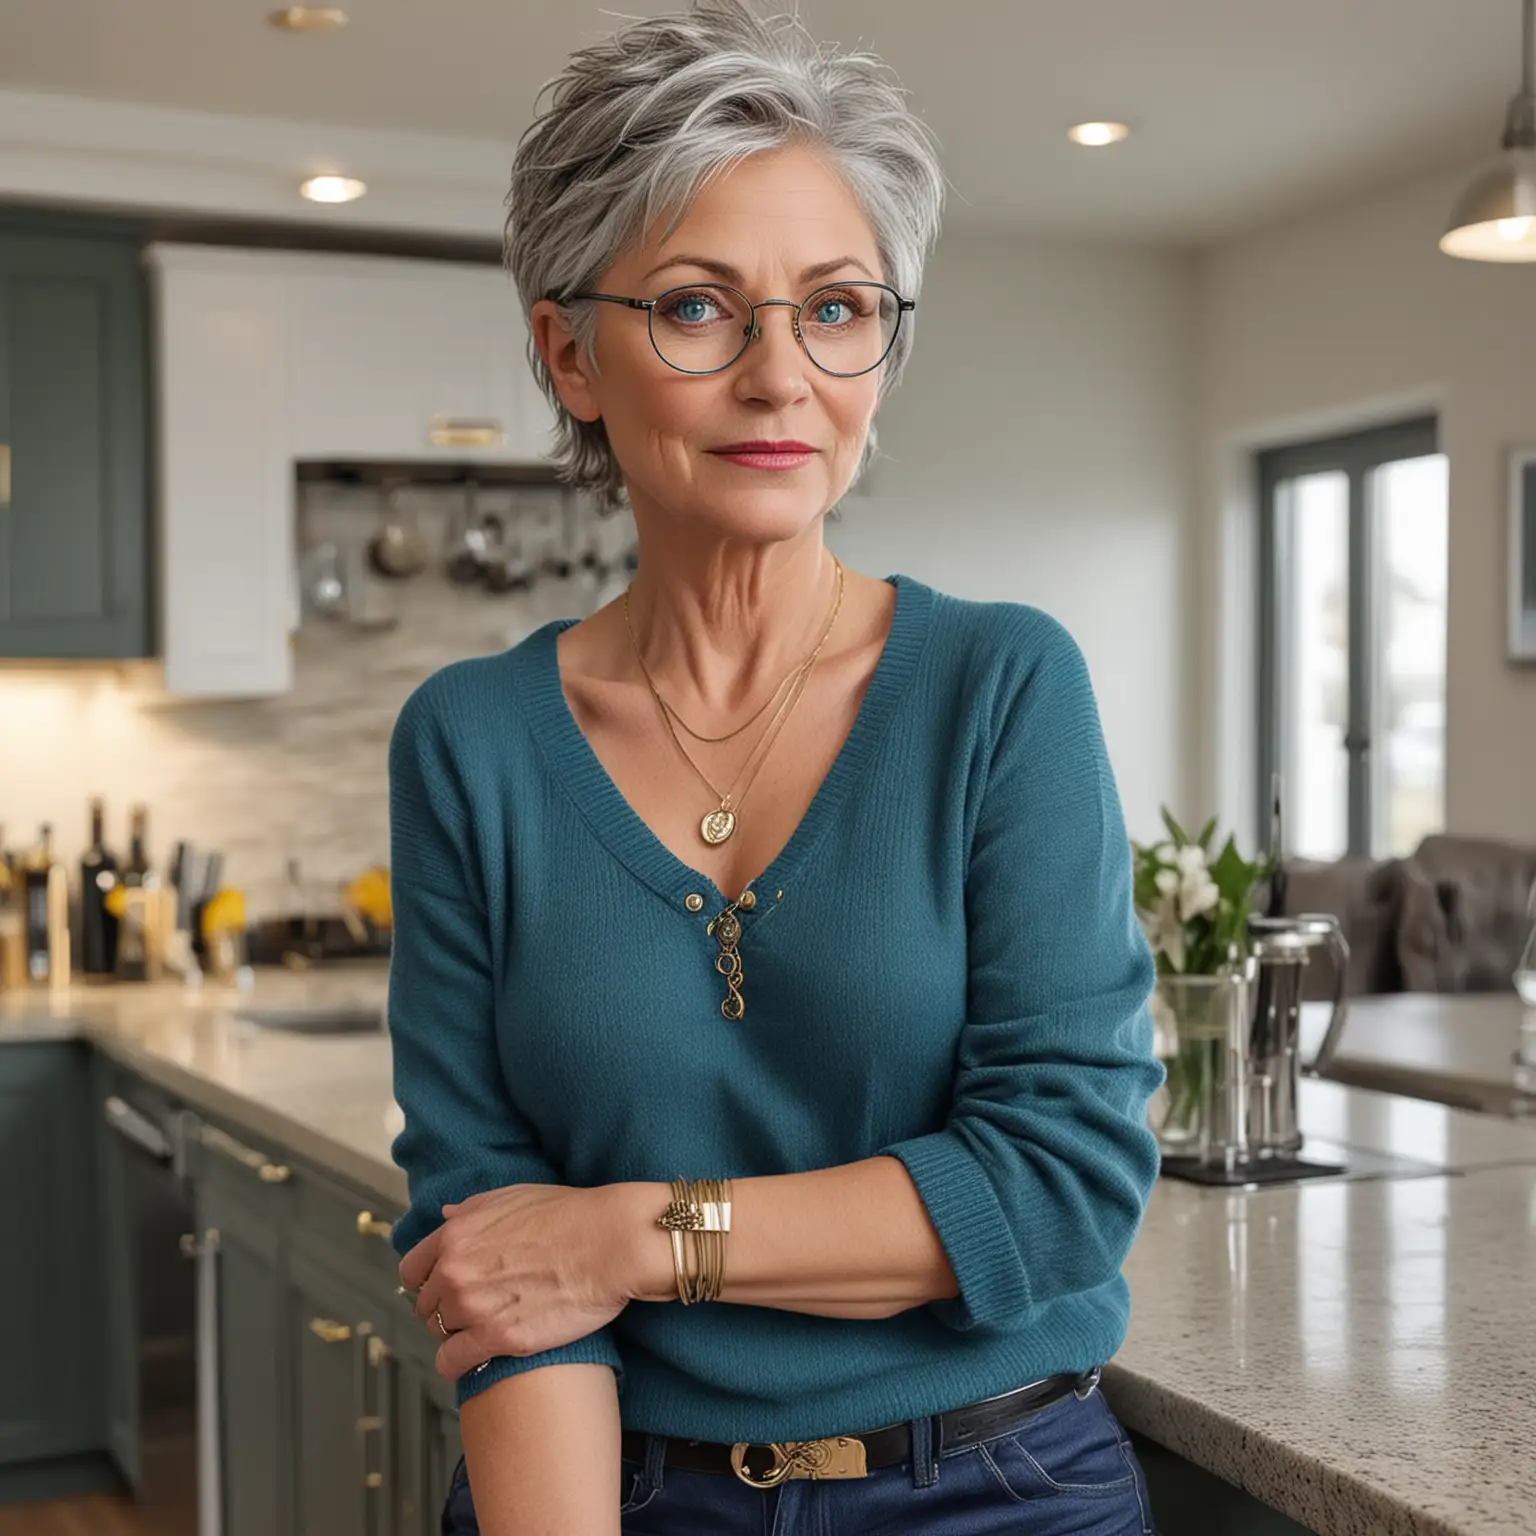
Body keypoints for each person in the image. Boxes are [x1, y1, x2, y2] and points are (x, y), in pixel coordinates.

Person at [387, 3, 1164, 1532]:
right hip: (616, 1488)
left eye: (836, 306)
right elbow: (494, 1261)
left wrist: (632, 1238)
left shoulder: (1001, 690)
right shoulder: (471, 743)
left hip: (995, 1487)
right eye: (695, 306)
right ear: (571, 352)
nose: (779, 376)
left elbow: (1063, 1184)